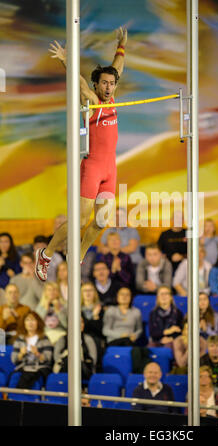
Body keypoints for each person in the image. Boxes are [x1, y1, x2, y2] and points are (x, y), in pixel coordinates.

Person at [35, 28, 128, 282]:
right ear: (97, 85)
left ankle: (78, 253)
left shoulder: (113, 100)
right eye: (104, 83)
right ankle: (47, 253)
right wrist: (66, 60)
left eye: (112, 83)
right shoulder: (92, 101)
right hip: (91, 168)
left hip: (110, 170)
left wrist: (121, 45)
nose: (108, 87)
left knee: (100, 220)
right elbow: (80, 84)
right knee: (79, 221)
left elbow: (118, 66)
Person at [11, 311, 53, 389]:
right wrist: (21, 354)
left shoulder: (44, 338)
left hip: (40, 368)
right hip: (24, 367)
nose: (30, 323)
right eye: (27, 320)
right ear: (24, 323)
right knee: (15, 377)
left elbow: (48, 358)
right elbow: (14, 360)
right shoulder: (20, 339)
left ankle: (21, 396)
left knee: (30, 375)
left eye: (33, 320)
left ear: (38, 322)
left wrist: (37, 354)